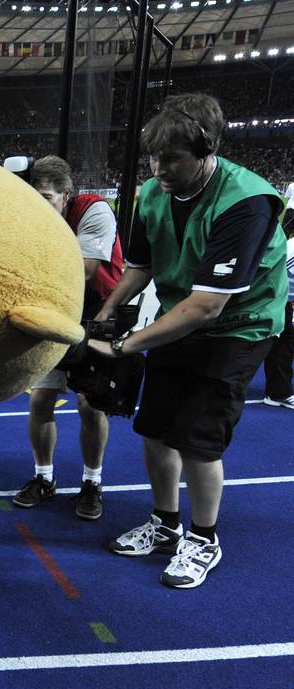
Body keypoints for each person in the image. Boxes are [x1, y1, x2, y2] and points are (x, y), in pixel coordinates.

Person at [91, 93, 287, 589]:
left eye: (173, 157)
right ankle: (164, 524)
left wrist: (126, 346)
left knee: (198, 438)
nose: (160, 168)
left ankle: (203, 539)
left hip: (237, 324)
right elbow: (141, 264)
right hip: (182, 314)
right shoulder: (151, 192)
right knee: (155, 428)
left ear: (207, 150)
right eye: (154, 157)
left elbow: (209, 305)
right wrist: (109, 311)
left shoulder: (247, 200)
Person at [13, 156, 122, 520]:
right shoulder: (29, 215)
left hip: (97, 313)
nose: (37, 205)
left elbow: (86, 270)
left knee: (90, 405)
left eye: (45, 197)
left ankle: (92, 482)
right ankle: (43, 478)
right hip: (55, 310)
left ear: (67, 194)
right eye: (32, 195)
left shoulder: (95, 212)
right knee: (40, 401)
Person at [260, 244, 294, 409]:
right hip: (275, 298)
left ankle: (279, 391)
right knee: (280, 342)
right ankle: (278, 393)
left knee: (283, 342)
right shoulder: (291, 248)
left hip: (280, 298)